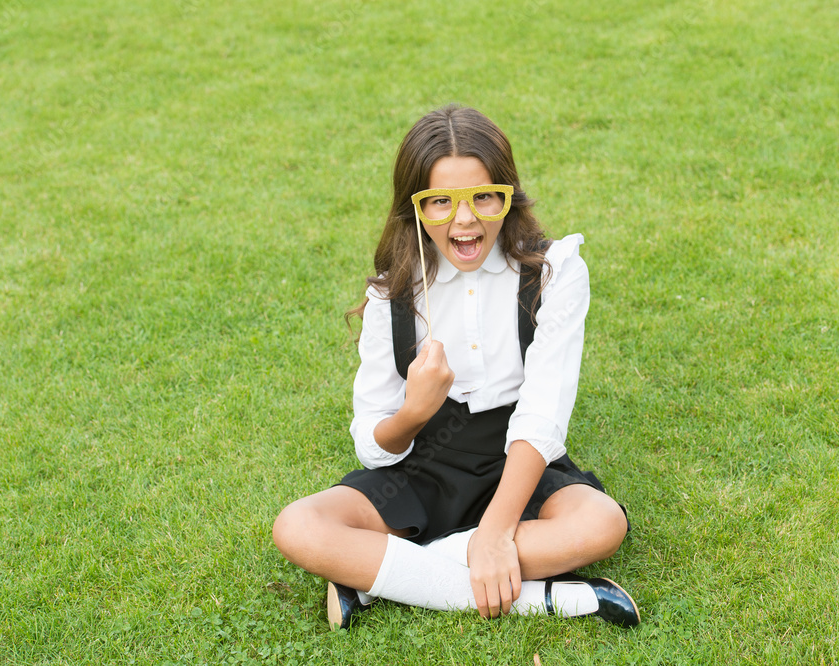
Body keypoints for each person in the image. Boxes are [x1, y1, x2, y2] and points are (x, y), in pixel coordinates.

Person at [272, 105, 639, 631]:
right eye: (440, 201)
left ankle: (379, 576)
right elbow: (372, 444)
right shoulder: (392, 296)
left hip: (517, 462)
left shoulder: (555, 272)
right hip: (422, 469)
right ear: (416, 209)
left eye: (483, 196)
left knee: (599, 524)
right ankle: (557, 598)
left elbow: (542, 416)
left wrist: (497, 531)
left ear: (508, 196)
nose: (464, 219)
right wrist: (413, 412)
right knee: (298, 526)